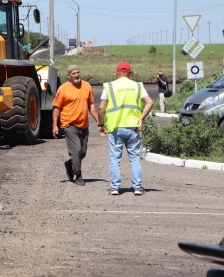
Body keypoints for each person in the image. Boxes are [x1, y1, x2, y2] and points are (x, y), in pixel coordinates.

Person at [98, 62, 154, 195]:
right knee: (134, 158)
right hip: (133, 127)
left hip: (115, 127)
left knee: (115, 159)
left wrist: (101, 125)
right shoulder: (137, 86)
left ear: (117, 72)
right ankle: (137, 187)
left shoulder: (109, 86)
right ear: (130, 73)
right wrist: (141, 119)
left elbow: (101, 108)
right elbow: (150, 102)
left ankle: (115, 187)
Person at [52, 65, 99, 186]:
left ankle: (70, 164)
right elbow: (56, 108)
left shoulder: (87, 86)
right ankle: (78, 175)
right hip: (69, 124)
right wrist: (55, 126)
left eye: (78, 72)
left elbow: (91, 105)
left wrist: (99, 121)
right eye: (74, 73)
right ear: (69, 76)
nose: (77, 75)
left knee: (82, 152)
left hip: (84, 124)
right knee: (76, 151)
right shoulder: (63, 89)